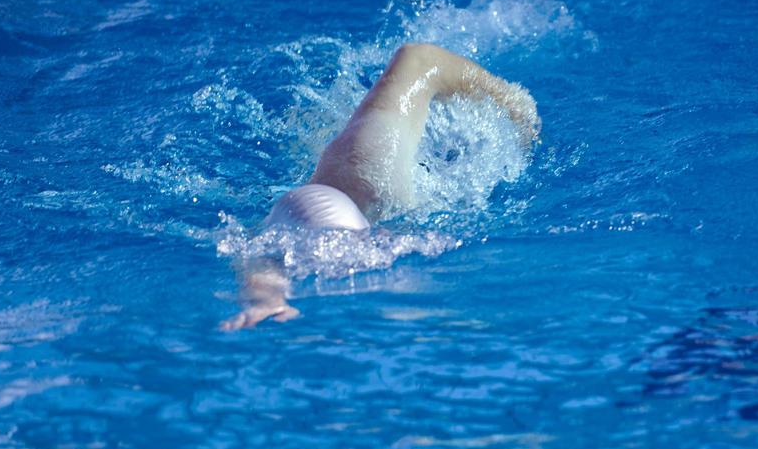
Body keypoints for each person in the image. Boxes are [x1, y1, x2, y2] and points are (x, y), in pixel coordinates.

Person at [221, 42, 540, 329]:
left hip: (360, 178)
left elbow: (418, 58)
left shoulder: (368, 171)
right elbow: (262, 253)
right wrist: (265, 299)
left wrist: (513, 104)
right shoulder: (385, 229)